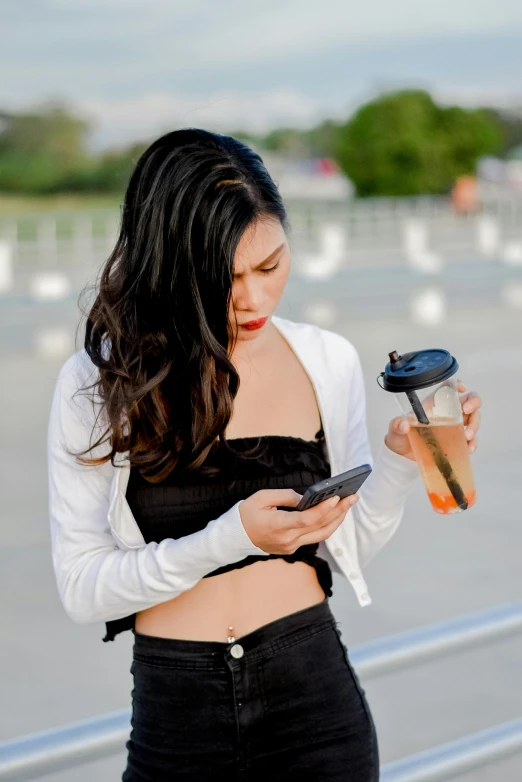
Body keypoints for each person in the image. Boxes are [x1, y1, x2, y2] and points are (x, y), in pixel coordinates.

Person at [47, 128, 483, 781]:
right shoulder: (98, 382)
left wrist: (398, 460)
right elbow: (83, 589)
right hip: (177, 712)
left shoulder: (325, 359)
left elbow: (350, 549)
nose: (253, 299)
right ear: (170, 270)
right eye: (224, 279)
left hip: (313, 701)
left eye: (271, 267)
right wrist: (230, 539)